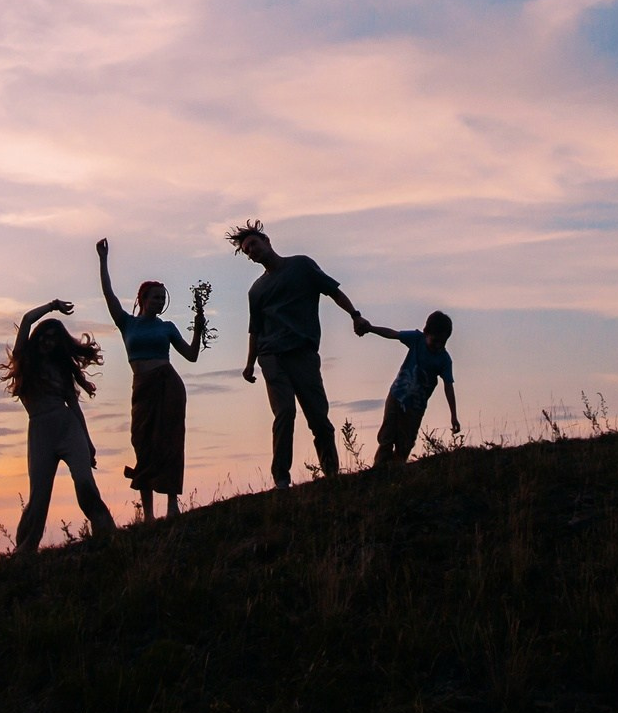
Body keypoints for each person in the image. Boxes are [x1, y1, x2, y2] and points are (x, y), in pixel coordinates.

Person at [230, 220, 369, 489]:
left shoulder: (301, 265)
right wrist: (249, 364)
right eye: (247, 251)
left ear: (267, 241)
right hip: (271, 357)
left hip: (303, 353)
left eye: (253, 245)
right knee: (285, 413)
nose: (252, 252)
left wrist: (355, 315)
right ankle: (281, 478)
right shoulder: (256, 290)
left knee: (318, 416)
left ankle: (331, 475)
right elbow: (255, 331)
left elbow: (333, 291)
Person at [96, 238, 204, 521]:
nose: (159, 301)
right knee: (142, 443)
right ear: (142, 299)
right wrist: (103, 259)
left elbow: (191, 356)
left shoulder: (167, 327)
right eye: (154, 297)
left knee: (169, 441)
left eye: (162, 298)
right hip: (142, 387)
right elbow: (108, 294)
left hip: (168, 384)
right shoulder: (127, 323)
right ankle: (148, 515)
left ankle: (171, 505)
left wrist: (199, 327)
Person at [1, 297, 119, 553]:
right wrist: (52, 306)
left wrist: (88, 443)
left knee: (85, 483)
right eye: (45, 335)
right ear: (37, 338)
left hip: (68, 428)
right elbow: (27, 321)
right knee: (38, 499)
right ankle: (25, 549)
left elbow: (74, 407)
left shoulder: (60, 368)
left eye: (54, 338)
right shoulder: (25, 363)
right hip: (40, 434)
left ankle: (107, 534)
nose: (48, 341)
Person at [361, 311, 458, 468]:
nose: (438, 346)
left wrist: (453, 415)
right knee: (386, 436)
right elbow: (393, 334)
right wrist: (370, 328)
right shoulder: (416, 339)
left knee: (405, 444)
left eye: (443, 342)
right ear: (426, 333)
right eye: (435, 341)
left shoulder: (444, 360)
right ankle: (378, 470)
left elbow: (448, 386)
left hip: (416, 407)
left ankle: (397, 471)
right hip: (397, 396)